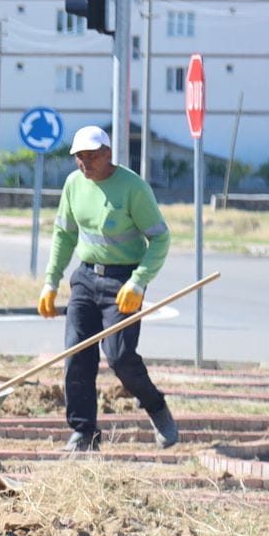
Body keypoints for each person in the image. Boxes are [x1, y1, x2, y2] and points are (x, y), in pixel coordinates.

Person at [38, 125, 178, 453]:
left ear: (107, 154)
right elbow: (64, 235)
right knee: (76, 355)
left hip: (122, 281)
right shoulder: (74, 185)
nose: (84, 164)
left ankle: (157, 408)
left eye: (91, 157)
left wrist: (139, 281)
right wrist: (50, 281)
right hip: (85, 279)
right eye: (79, 158)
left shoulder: (133, 188)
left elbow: (160, 237)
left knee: (120, 357)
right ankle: (84, 433)